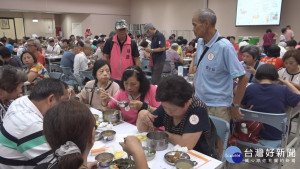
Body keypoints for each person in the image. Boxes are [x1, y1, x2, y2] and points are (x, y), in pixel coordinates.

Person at [136, 76, 219, 158]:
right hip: (174, 152)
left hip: (199, 156)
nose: (168, 112)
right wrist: (141, 114)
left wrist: (164, 134)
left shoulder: (197, 110)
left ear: (187, 102)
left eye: (173, 110)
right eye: (164, 107)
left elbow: (186, 144)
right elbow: (143, 130)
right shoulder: (169, 104)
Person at [192, 8, 248, 122]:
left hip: (217, 107)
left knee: (218, 139)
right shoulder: (200, 42)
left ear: (206, 23)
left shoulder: (225, 47)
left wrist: (235, 106)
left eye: (195, 25)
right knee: (200, 139)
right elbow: (200, 69)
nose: (193, 29)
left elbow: (243, 78)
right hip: (198, 102)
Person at [0, 78, 69, 169]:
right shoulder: (30, 125)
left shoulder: (22, 101)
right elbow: (59, 163)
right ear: (51, 99)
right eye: (63, 102)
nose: (65, 107)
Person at [241, 64, 300, 140]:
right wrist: (288, 83)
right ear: (275, 77)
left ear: (257, 76)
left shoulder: (250, 88)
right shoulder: (283, 90)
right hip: (276, 134)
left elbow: (242, 105)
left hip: (251, 130)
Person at [103, 19, 141, 84]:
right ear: (115, 29)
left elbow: (136, 59)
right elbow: (105, 57)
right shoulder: (110, 41)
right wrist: (105, 71)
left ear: (126, 29)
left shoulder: (132, 43)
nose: (122, 31)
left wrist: (139, 73)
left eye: (124, 29)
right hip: (113, 76)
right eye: (120, 29)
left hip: (128, 76)